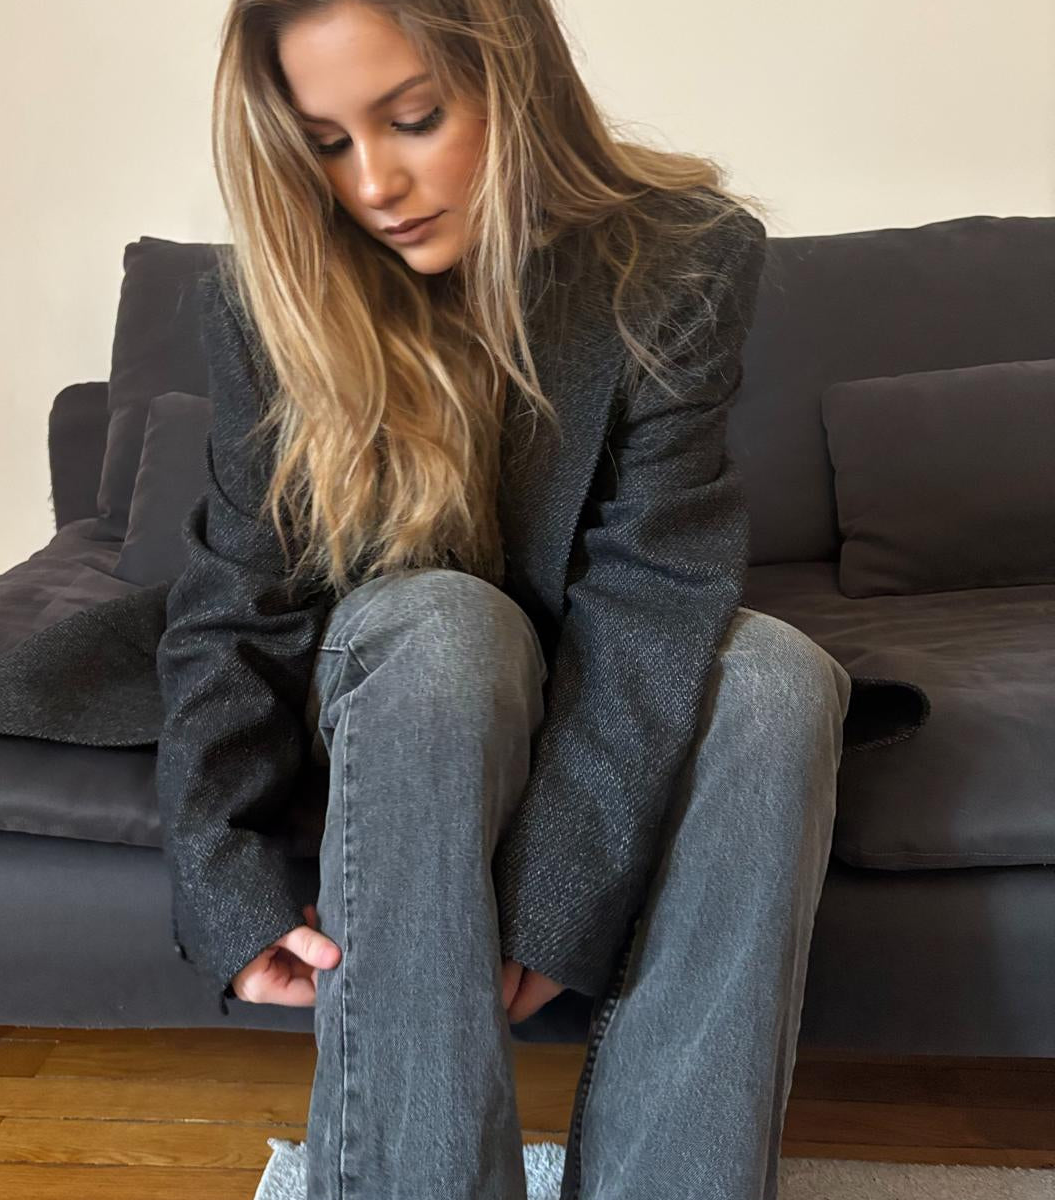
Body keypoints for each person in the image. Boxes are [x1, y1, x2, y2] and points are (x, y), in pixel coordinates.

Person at [155, 1, 853, 1197]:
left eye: (415, 118)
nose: (373, 183)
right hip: (399, 680)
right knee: (448, 625)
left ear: (514, 82)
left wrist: (557, 896)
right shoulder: (270, 297)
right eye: (326, 142)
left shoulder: (682, 258)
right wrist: (223, 877)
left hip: (584, 663)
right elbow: (240, 593)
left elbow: (656, 585)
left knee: (782, 677)